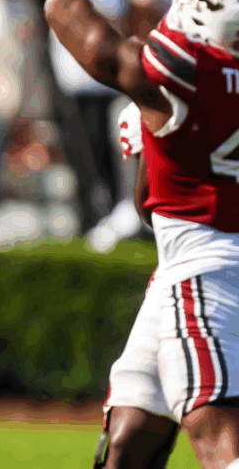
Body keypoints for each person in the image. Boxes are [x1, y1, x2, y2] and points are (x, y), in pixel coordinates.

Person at [47, 0, 239, 467]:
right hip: (195, 259)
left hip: (204, 264)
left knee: (215, 432)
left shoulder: (180, 71)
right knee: (131, 433)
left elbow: (65, 12)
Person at [94, 103, 179, 469]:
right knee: (129, 431)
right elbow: (150, 205)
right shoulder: (169, 85)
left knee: (219, 432)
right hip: (183, 265)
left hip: (215, 261)